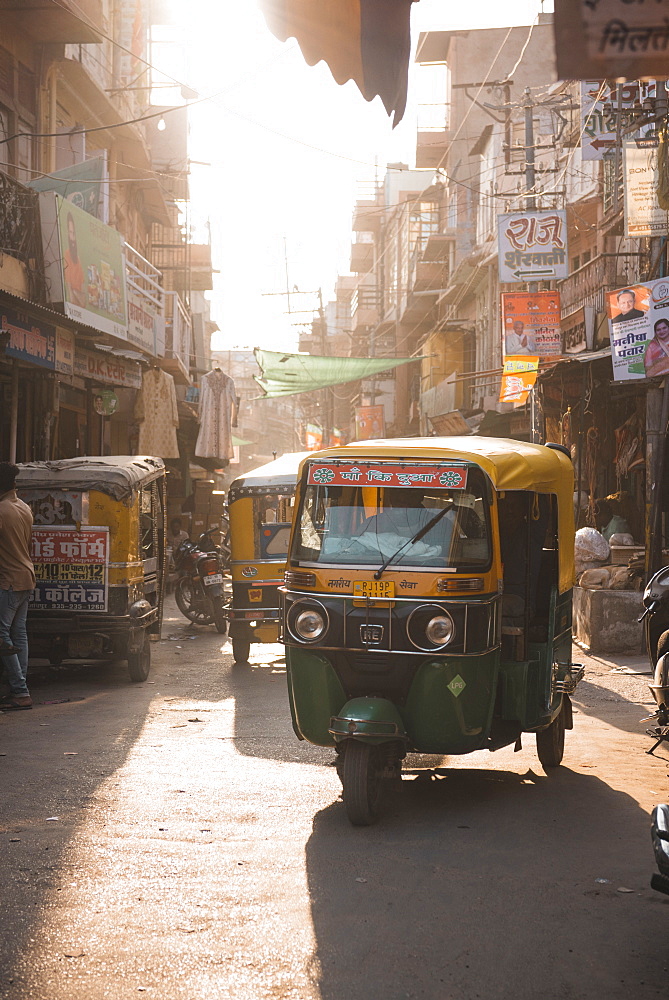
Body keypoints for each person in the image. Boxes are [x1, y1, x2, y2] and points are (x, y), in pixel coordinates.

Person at [0, 462, 35, 710]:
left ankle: (20, 691)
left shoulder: (1, 510)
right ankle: (20, 687)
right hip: (25, 577)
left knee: (2, 634)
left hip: (9, 580)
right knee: (18, 634)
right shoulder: (23, 507)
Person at [63, 211, 85, 307]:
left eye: (74, 233)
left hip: (80, 299)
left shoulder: (78, 258)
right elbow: (68, 280)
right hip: (74, 301)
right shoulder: (66, 254)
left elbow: (82, 281)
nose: (72, 237)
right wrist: (72, 298)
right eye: (70, 233)